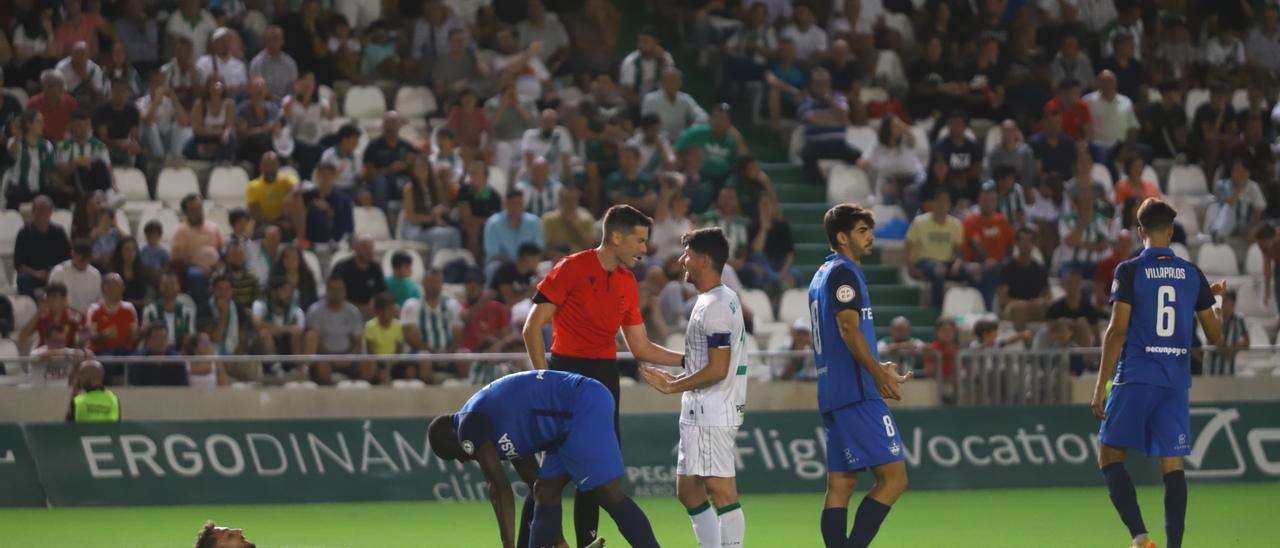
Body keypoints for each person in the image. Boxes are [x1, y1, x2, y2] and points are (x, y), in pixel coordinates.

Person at [521, 205, 684, 547]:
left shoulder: (627, 281)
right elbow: (532, 327)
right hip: (565, 376)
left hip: (603, 381)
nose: (644, 248)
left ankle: (585, 543)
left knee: (590, 478)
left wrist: (688, 359)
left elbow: (639, 346)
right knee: (549, 480)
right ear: (615, 237)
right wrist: (545, 380)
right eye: (639, 241)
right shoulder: (571, 268)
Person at [1092, 199, 1225, 548]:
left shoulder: (1129, 270)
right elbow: (1214, 335)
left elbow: (1116, 330)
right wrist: (1216, 303)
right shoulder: (1192, 274)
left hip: (1136, 376)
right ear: (1170, 231)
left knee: (1108, 456)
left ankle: (1140, 536)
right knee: (1173, 466)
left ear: (1140, 232)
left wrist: (1100, 385)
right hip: (1174, 383)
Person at [428, 370, 660, 548]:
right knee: (544, 491)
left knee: (608, 493)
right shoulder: (494, 422)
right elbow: (532, 479)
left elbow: (498, 489)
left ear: (453, 438)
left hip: (580, 405)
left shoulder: (467, 427)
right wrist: (557, 540)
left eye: (455, 455)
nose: (463, 460)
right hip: (569, 416)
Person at [639, 227, 747, 548]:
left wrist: (673, 385)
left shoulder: (713, 307)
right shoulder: (717, 300)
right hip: (699, 410)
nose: (682, 260)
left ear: (704, 260)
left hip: (711, 409)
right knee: (688, 491)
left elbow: (717, 367)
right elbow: (704, 360)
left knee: (721, 491)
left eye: (687, 255)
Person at [810, 203, 911, 548]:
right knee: (894, 479)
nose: (871, 237)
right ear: (842, 237)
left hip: (832, 391)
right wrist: (876, 374)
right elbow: (848, 329)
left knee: (841, 484)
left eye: (870, 230)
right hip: (856, 391)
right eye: (862, 231)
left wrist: (879, 366)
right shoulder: (844, 272)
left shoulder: (821, 274)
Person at [401, 268, 464, 383]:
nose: (433, 285)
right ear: (423, 283)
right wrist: (434, 353)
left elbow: (458, 335)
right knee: (424, 357)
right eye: (430, 281)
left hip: (448, 352)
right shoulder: (412, 305)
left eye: (437, 282)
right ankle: (429, 398)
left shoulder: (452, 305)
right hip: (422, 352)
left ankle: (467, 395)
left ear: (441, 284)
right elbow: (410, 338)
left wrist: (447, 353)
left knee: (465, 356)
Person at [303, 277, 369, 386]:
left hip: (348, 356)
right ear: (327, 291)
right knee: (322, 370)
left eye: (340, 289)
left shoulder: (353, 312)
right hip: (325, 357)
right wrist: (332, 357)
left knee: (368, 367)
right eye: (333, 289)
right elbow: (316, 342)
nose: (337, 293)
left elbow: (357, 342)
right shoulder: (315, 311)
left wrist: (349, 357)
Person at [14, 195, 72, 297]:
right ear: (33, 211)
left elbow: (67, 258)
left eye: (47, 209)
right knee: (23, 279)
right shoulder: (24, 233)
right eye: (40, 209)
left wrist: (53, 272)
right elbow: (19, 264)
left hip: (55, 273)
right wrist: (37, 274)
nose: (43, 213)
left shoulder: (58, 232)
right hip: (33, 274)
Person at [330, 235, 386, 315]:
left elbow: (382, 292)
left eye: (371, 248)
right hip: (346, 311)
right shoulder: (342, 268)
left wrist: (375, 303)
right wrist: (360, 308)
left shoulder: (376, 267)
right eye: (365, 248)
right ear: (355, 249)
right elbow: (335, 295)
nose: (370, 251)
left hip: (371, 311)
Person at [85, 273, 138, 356]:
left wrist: (136, 334)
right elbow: (91, 336)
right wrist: (103, 336)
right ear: (105, 288)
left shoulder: (129, 308)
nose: (122, 289)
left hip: (123, 352)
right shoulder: (94, 309)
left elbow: (133, 336)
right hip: (99, 352)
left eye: (122, 285)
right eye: (117, 285)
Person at [142, 272, 197, 350]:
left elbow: (190, 337)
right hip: (157, 351)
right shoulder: (150, 310)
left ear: (179, 287)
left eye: (172, 283)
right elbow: (147, 337)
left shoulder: (187, 311)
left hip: (180, 352)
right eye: (165, 284)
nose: (169, 287)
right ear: (160, 287)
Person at [49, 238, 101, 313]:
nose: (82, 263)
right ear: (72, 253)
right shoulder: (59, 272)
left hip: (88, 316)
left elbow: (98, 300)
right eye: (79, 259)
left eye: (85, 259)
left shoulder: (95, 274)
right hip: (64, 315)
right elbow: (51, 298)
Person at [1206, 289, 1248, 376]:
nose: (1222, 304)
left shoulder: (1239, 320)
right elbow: (1211, 340)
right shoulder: (1214, 318)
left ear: (1233, 304)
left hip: (1229, 372)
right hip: (1212, 371)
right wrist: (1226, 350)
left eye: (1225, 301)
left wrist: (1233, 348)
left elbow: (1246, 342)